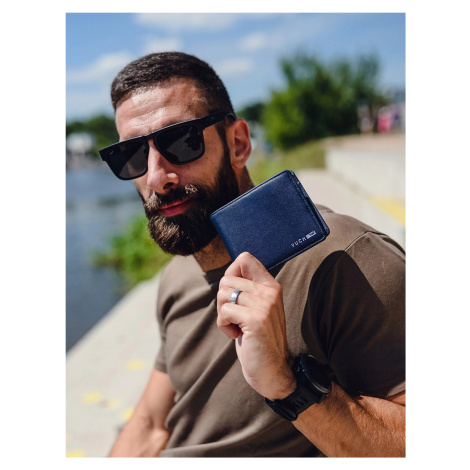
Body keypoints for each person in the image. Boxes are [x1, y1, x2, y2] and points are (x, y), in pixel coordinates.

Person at [99, 52, 405, 457]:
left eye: (181, 142)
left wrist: (287, 385)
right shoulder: (177, 276)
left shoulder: (347, 258)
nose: (156, 177)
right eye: (133, 156)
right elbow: (150, 424)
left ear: (238, 144)